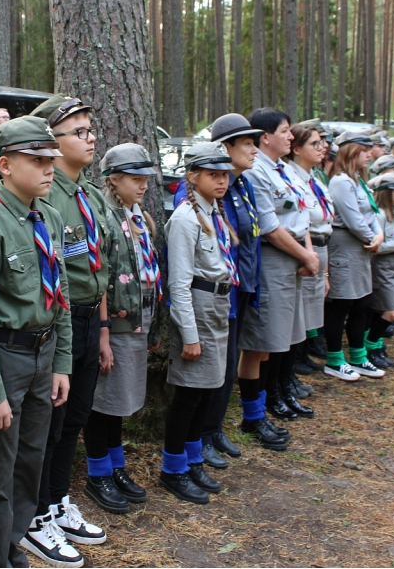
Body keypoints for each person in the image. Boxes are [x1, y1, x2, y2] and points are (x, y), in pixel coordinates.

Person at [0, 116, 76, 569]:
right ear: (5, 165)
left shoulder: (47, 215)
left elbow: (61, 293)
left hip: (43, 352)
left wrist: (62, 361)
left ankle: (13, 544)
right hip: (7, 356)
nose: (49, 168)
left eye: (52, 159)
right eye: (37, 160)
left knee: (30, 461)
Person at [27, 96, 110, 558]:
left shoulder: (89, 194)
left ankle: (58, 500)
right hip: (58, 320)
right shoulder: (45, 193)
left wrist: (100, 330)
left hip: (86, 317)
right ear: (52, 143)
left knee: (75, 417)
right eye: (78, 131)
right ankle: (37, 512)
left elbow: (95, 269)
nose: (90, 136)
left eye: (89, 127)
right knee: (52, 422)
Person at [82, 144, 160, 507]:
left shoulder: (137, 214)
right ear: (113, 179)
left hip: (137, 323)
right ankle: (98, 472)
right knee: (103, 400)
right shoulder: (105, 218)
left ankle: (115, 464)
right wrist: (104, 334)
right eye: (135, 178)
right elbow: (100, 278)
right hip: (114, 326)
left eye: (145, 178)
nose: (143, 185)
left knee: (119, 400)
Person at [161, 142, 237, 505]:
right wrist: (189, 335)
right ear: (193, 177)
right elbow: (178, 283)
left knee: (207, 390)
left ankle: (192, 460)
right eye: (213, 175)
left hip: (218, 304)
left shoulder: (213, 212)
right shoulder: (185, 218)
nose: (222, 181)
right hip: (199, 307)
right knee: (190, 393)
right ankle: (173, 468)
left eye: (224, 175)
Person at [238, 108, 317, 450]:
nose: (290, 136)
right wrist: (304, 255)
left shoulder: (282, 170)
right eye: (285, 131)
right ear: (264, 136)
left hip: (294, 258)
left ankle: (272, 400)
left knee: (277, 340)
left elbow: (302, 213)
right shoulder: (258, 173)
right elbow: (269, 227)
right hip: (274, 261)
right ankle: (254, 414)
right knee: (260, 343)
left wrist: (307, 252)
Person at [199, 113, 264, 468]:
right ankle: (202, 435)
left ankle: (216, 428)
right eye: (248, 144)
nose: (255, 150)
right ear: (226, 148)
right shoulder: (206, 190)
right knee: (213, 367)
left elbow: (251, 240)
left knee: (227, 369)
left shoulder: (242, 185)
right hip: (216, 295)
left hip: (241, 290)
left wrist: (256, 286)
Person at [322, 132, 385, 382]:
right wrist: (373, 238)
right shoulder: (340, 182)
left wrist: (378, 235)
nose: (369, 154)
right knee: (342, 303)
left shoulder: (357, 180)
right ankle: (335, 360)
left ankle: (358, 357)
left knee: (362, 302)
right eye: (364, 150)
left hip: (361, 248)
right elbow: (353, 220)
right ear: (350, 152)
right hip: (346, 247)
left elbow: (371, 213)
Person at [283, 121, 331, 411]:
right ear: (297, 148)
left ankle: (292, 370)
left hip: (315, 248)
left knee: (305, 316)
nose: (323, 147)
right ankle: (287, 375)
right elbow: (304, 217)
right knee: (294, 319)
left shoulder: (315, 177)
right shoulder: (290, 175)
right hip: (301, 250)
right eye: (315, 143)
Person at [365, 173, 394, 368]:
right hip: (382, 269)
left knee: (381, 311)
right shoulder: (380, 215)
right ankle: (369, 345)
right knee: (390, 313)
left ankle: (376, 345)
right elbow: (377, 247)